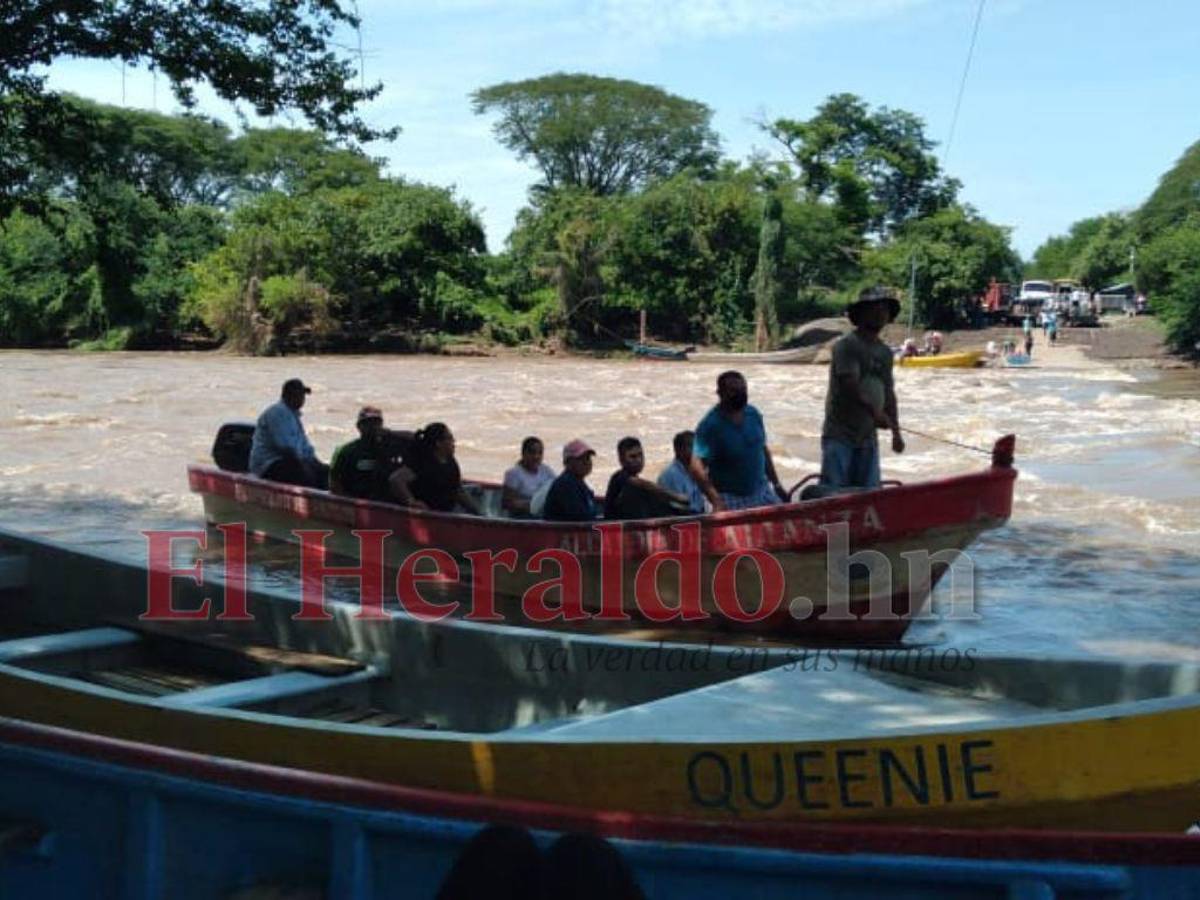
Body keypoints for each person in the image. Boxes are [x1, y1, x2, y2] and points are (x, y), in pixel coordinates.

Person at [820, 286, 905, 491]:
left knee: (870, 495)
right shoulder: (847, 346)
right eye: (874, 309)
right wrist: (875, 413)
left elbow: (889, 392)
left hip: (868, 436)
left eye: (884, 309)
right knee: (834, 494)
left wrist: (896, 432)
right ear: (860, 314)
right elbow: (850, 385)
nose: (880, 313)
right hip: (840, 434)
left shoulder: (885, 352)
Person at [688, 371, 786, 512]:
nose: (740, 394)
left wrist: (777, 485)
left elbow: (763, 450)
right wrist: (716, 501)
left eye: (743, 389)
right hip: (729, 497)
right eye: (733, 390)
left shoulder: (753, 414)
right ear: (720, 393)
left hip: (761, 490)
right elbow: (696, 467)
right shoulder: (710, 426)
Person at [248, 378, 329, 488]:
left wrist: (320, 466)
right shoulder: (278, 412)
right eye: (299, 395)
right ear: (288, 395)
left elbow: (306, 449)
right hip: (268, 465)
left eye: (303, 395)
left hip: (289, 462)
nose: (302, 399)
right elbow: (286, 448)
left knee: (326, 472)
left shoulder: (293, 416)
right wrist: (306, 468)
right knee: (301, 472)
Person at [389, 422, 481, 514]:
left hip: (445, 512)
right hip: (426, 514)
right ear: (438, 443)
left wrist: (476, 512)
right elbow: (396, 480)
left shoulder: (451, 461)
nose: (454, 442)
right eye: (450, 438)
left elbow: (457, 490)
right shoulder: (422, 462)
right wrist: (411, 501)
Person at [329, 406, 409, 501]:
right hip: (356, 499)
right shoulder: (347, 451)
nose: (373, 427)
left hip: (384, 500)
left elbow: (415, 439)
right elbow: (335, 484)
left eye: (377, 423)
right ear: (359, 426)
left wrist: (391, 433)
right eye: (368, 423)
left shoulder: (390, 448)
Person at [603, 436, 689, 520]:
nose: (639, 460)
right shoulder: (619, 477)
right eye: (633, 457)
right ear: (621, 459)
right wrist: (677, 497)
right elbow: (645, 485)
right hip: (616, 523)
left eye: (640, 455)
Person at [543, 440, 600, 521]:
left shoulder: (579, 483)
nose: (586, 462)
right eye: (580, 458)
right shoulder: (565, 484)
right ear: (568, 462)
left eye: (588, 458)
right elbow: (579, 517)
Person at [502, 436, 555, 517]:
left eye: (540, 453)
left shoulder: (546, 471)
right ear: (523, 453)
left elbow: (558, 488)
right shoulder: (513, 474)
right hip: (522, 517)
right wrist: (532, 505)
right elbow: (507, 503)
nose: (536, 456)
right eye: (532, 452)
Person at [657, 430, 707, 514]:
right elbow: (677, 509)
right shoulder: (670, 475)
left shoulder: (695, 470)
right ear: (679, 450)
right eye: (692, 447)